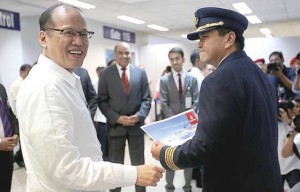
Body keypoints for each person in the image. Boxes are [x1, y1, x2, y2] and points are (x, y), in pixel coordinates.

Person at [16, 4, 164, 192]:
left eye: (84, 34)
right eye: (68, 33)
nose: (78, 42)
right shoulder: (46, 88)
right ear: (43, 38)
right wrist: (134, 174)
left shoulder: (66, 80)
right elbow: (65, 169)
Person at [151, 7, 282, 192]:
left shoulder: (218, 80)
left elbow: (205, 147)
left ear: (229, 38)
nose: (199, 44)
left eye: (205, 37)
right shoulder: (258, 74)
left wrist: (165, 153)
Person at [98, 42, 152, 192]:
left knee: (139, 165)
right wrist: (116, 118)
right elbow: (102, 101)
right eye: (121, 53)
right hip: (116, 128)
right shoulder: (106, 74)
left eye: (127, 53)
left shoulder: (140, 73)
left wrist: (139, 116)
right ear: (115, 54)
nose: (124, 56)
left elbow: (147, 99)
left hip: (136, 127)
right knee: (115, 167)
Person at [159, 47, 199, 192]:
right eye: (172, 59)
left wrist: (186, 122)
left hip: (188, 127)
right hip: (171, 128)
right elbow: (164, 103)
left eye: (177, 58)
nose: (175, 62)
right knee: (169, 158)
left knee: (187, 157)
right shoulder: (164, 80)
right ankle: (169, 187)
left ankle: (187, 186)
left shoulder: (192, 79)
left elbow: (196, 102)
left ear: (183, 59)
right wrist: (175, 123)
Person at [10, 64, 31, 168]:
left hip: (27, 116)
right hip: (20, 117)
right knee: (23, 139)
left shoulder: (25, 83)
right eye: (28, 72)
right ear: (22, 72)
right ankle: (18, 158)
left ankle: (19, 157)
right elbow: (18, 102)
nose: (29, 74)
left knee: (26, 139)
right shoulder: (16, 85)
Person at [0, 83, 19, 192]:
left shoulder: (1, 88)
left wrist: (16, 133)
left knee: (5, 186)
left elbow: (9, 113)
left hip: (7, 151)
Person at [92, 66, 109, 161]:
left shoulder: (109, 82)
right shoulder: (95, 82)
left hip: (109, 119)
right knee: (102, 144)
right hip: (100, 119)